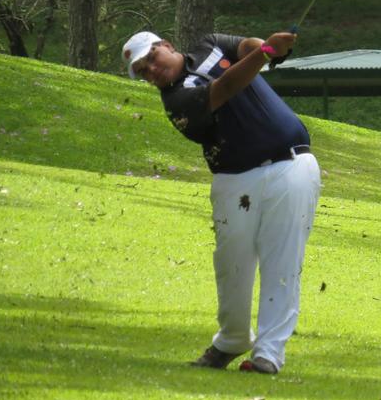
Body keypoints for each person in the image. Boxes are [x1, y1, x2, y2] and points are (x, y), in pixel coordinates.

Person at [122, 29, 321, 374]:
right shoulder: (176, 103)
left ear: (167, 45)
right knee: (232, 264)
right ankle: (232, 339)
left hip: (292, 163)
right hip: (234, 179)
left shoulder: (209, 44)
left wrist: (266, 47)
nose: (151, 70)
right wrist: (266, 52)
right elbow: (226, 88)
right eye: (143, 71)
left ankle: (268, 354)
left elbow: (244, 47)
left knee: (283, 261)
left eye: (151, 59)